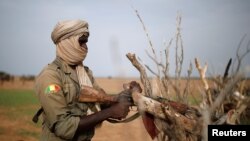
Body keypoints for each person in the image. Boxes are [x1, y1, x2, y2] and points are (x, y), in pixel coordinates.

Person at [34, 19, 131, 141]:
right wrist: (110, 112)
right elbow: (63, 126)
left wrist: (126, 97)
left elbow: (100, 100)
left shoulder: (84, 72)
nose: (85, 46)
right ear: (67, 42)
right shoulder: (50, 76)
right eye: (82, 41)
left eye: (86, 42)